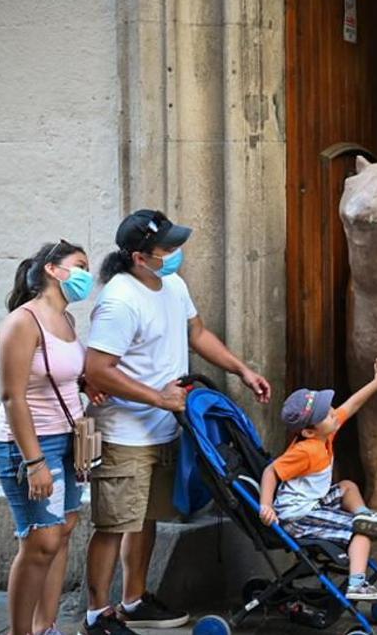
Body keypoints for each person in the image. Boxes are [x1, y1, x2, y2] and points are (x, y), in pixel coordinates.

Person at [80, 210, 272, 635]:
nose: (175, 253)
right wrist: (158, 398)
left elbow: (197, 334)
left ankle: (134, 598)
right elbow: (98, 369)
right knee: (115, 524)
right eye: (166, 248)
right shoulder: (119, 299)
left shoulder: (175, 285)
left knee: (145, 517)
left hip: (165, 428)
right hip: (124, 433)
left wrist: (242, 369)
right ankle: (98, 615)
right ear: (139, 257)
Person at [0, 239, 102, 635]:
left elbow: (62, 376)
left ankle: (46, 627)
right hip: (28, 447)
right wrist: (35, 462)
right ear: (53, 271)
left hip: (68, 441)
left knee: (62, 533)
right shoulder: (23, 322)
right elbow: (12, 396)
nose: (87, 274)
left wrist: (88, 387)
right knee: (40, 542)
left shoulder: (68, 321)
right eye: (80, 264)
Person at [258, 358, 377, 601]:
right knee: (361, 534)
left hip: (314, 502)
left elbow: (352, 404)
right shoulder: (305, 451)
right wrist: (266, 504)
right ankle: (357, 585)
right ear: (308, 431)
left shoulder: (325, 432)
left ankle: (364, 514)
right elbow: (270, 471)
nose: (333, 414)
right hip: (298, 515)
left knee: (348, 487)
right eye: (326, 414)